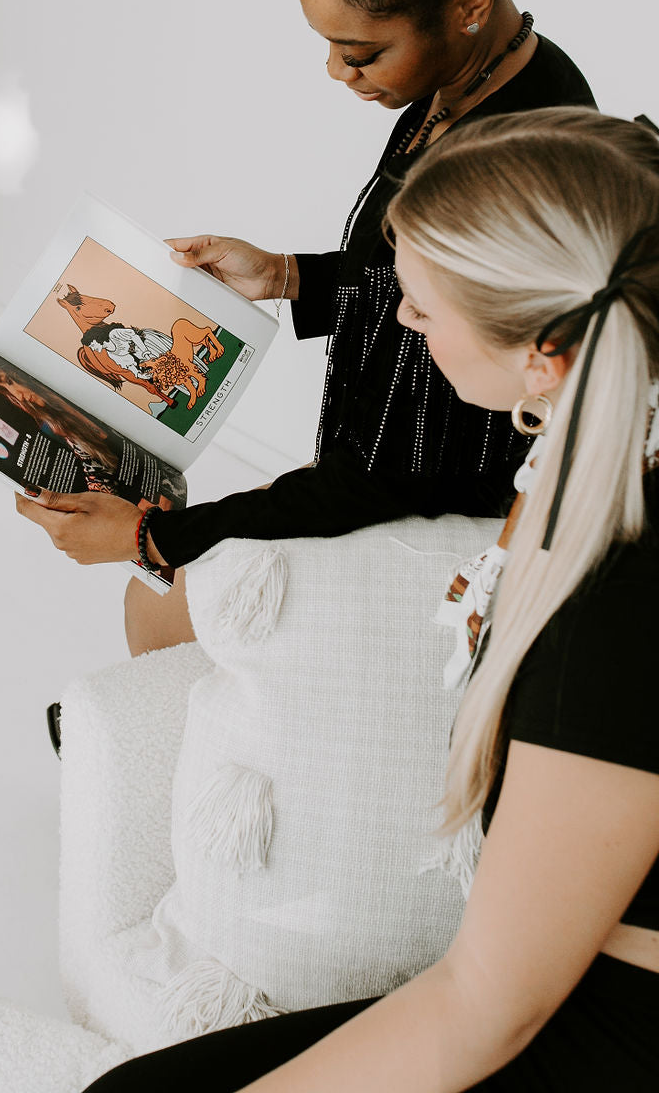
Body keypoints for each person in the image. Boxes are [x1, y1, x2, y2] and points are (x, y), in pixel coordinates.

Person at [79, 106, 659, 1091]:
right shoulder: (577, 447)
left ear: (542, 357)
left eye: (424, 306)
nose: (400, 318)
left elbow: (482, 1007)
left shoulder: (609, 617)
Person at [16, 0, 595, 655]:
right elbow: (410, 281)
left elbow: (394, 473)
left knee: (152, 612)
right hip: (383, 476)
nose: (337, 72)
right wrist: (285, 275)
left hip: (436, 526)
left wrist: (151, 535)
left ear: (470, 3)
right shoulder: (473, 78)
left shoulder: (511, 158)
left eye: (361, 51)